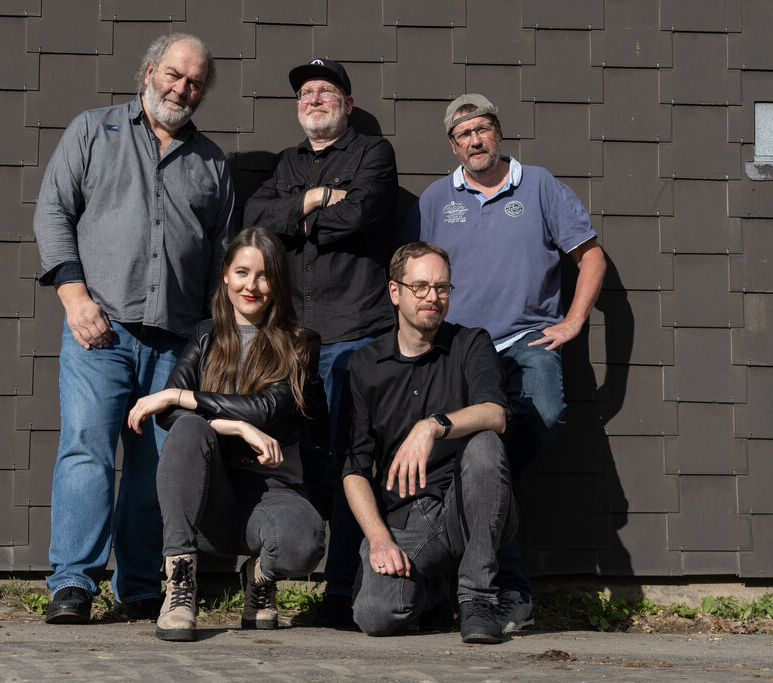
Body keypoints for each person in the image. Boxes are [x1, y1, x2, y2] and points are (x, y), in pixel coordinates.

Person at [33, 33, 236, 624]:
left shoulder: (212, 162)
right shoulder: (93, 131)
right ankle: (73, 582)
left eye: (195, 82)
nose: (183, 89)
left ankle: (141, 585)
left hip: (176, 343)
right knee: (86, 453)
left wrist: (209, 340)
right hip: (101, 329)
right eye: (174, 74)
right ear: (150, 70)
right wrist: (74, 298)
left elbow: (222, 258)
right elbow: (52, 211)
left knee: (155, 471)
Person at [401, 94, 606, 632]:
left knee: (542, 416)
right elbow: (409, 273)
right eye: (464, 133)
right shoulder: (433, 200)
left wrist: (573, 321)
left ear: (498, 132)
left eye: (483, 128)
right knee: (486, 469)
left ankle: (476, 517)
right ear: (453, 144)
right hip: (460, 349)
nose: (475, 139)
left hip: (526, 339)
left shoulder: (539, 185)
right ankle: (506, 590)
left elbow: (591, 257)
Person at [243, 58, 399, 626]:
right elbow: (255, 222)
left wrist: (298, 218)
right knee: (299, 461)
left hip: (355, 331)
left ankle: (340, 593)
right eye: (306, 93)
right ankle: (280, 574)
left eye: (325, 91)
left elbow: (360, 215)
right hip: (293, 340)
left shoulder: (372, 154)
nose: (313, 99)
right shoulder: (288, 164)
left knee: (351, 461)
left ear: (347, 104)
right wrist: (311, 201)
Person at [127, 227, 326, 642]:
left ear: (278, 283)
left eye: (264, 275)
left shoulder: (301, 343)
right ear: (225, 274)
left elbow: (270, 408)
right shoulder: (205, 336)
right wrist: (234, 425)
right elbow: (170, 420)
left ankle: (259, 576)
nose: (251, 286)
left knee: (303, 545)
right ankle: (180, 582)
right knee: (188, 428)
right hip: (210, 501)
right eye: (242, 272)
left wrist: (180, 394)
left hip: (272, 492)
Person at [340, 242, 517, 643]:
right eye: (419, 287)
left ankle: (477, 600)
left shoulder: (470, 344)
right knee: (376, 615)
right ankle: (436, 589)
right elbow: (353, 468)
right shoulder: (364, 366)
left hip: (468, 506)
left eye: (441, 287)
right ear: (394, 292)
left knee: (485, 443)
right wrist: (380, 540)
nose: (432, 297)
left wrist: (431, 426)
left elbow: (496, 413)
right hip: (406, 521)